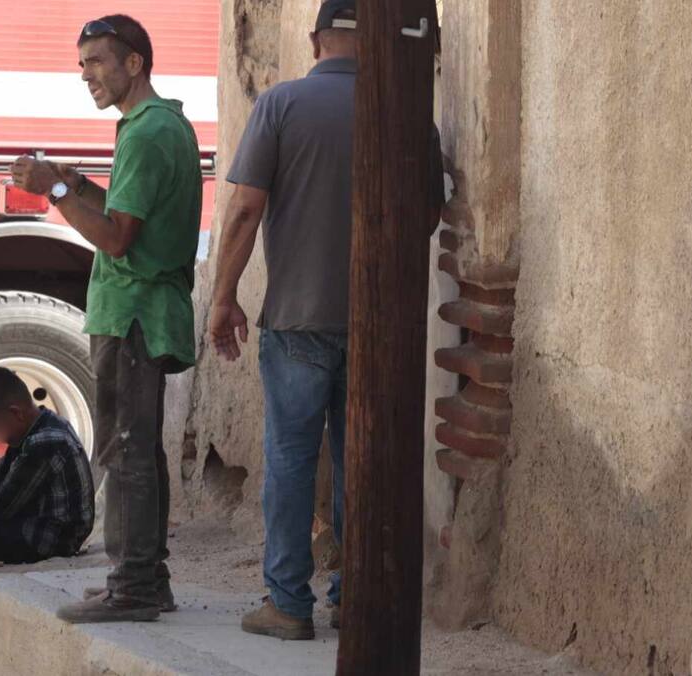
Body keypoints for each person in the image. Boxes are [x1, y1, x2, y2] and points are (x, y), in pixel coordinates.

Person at [210, 0, 444, 641]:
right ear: (371, 42)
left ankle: (287, 604)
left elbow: (243, 213)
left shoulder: (280, 106)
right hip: (377, 324)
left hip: (297, 320)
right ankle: (353, 599)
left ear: (315, 42)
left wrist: (224, 297)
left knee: (289, 460)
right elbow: (426, 219)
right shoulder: (406, 112)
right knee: (359, 463)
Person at [9, 14, 201, 623]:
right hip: (142, 311)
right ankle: (148, 576)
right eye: (82, 64)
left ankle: (134, 586)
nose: (87, 75)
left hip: (134, 315)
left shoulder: (145, 134)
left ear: (134, 63)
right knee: (140, 448)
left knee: (126, 451)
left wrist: (56, 194)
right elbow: (124, 213)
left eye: (97, 61)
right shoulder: (157, 124)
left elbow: (117, 240)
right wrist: (73, 182)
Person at [0, 367, 94, 564]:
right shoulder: (31, 431)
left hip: (45, 542)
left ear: (15, 414)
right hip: (25, 530)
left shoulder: (45, 442)